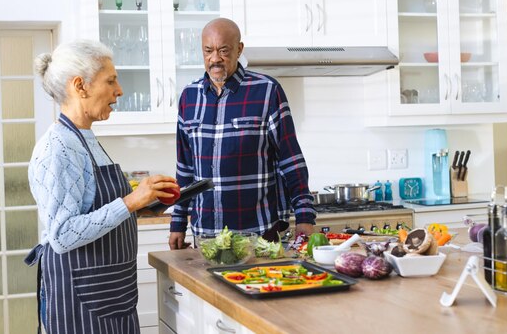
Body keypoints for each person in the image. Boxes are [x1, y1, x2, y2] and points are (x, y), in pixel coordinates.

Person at [24, 40, 179, 334]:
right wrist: (131, 202)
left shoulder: (85, 139)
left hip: (109, 295)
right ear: (80, 86)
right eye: (110, 81)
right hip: (81, 301)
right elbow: (63, 234)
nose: (119, 90)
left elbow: (98, 208)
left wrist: (147, 200)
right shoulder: (59, 148)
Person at [169, 18, 316, 249]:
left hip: (259, 235)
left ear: (239, 49)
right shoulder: (189, 97)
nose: (215, 58)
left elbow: (291, 160)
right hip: (206, 236)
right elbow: (185, 168)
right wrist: (177, 222)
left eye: (223, 50)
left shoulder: (267, 91)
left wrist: (305, 216)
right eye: (208, 51)